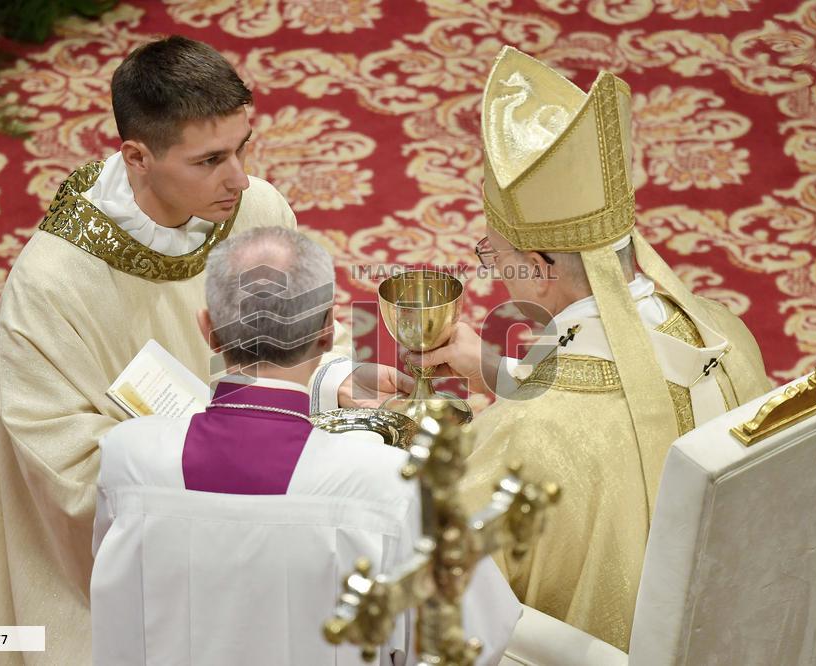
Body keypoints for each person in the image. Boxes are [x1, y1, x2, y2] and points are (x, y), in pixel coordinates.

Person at [0, 36, 408, 666]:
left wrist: (330, 378)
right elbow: (64, 468)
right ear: (137, 157)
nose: (240, 179)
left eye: (242, 148)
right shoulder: (51, 285)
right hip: (121, 576)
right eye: (209, 160)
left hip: (255, 506)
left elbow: (293, 334)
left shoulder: (256, 209)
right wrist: (220, 462)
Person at [408, 46, 772, 651]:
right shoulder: (725, 334)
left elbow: (448, 586)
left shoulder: (528, 432)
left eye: (495, 256)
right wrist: (507, 374)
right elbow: (638, 397)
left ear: (539, 266)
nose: (494, 273)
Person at [91, 227, 521, 665]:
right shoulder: (393, 486)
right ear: (326, 332)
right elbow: (473, 638)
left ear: (209, 332)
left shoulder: (127, 458)